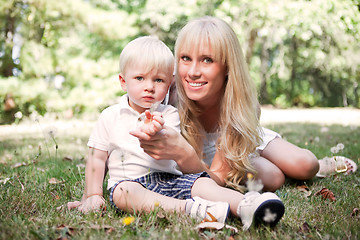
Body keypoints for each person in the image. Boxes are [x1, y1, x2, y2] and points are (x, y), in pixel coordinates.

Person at [67, 36, 285, 230]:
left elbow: (165, 134)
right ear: (123, 81)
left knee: (202, 183)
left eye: (158, 80)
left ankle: (246, 204)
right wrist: (93, 195)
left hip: (170, 180)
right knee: (124, 193)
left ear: (169, 83)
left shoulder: (169, 113)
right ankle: (192, 210)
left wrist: (154, 126)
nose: (149, 87)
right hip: (130, 182)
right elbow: (97, 158)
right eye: (140, 79)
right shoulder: (110, 116)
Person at [129, 16, 321, 194]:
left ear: (228, 66)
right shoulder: (165, 88)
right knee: (274, 177)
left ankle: (319, 164)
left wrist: (184, 154)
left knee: (307, 165)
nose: (193, 72)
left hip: (235, 141)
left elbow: (216, 180)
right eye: (186, 58)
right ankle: (245, 164)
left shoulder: (241, 105)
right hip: (205, 158)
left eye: (207, 60)